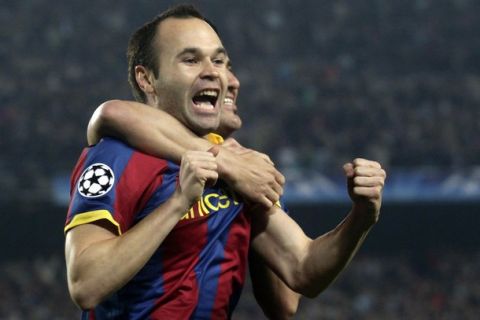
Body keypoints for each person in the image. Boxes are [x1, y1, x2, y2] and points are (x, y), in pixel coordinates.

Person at [65, 4, 386, 319]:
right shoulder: (117, 155)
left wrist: (362, 217)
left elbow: (301, 270)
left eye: (219, 61)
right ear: (147, 79)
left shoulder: (244, 169)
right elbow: (85, 284)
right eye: (190, 60)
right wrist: (179, 203)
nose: (213, 72)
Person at [88, 62, 302, 319]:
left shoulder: (252, 171)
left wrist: (359, 215)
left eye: (225, 67)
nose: (232, 82)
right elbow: (111, 113)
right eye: (193, 62)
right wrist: (221, 161)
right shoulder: (127, 153)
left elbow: (287, 302)